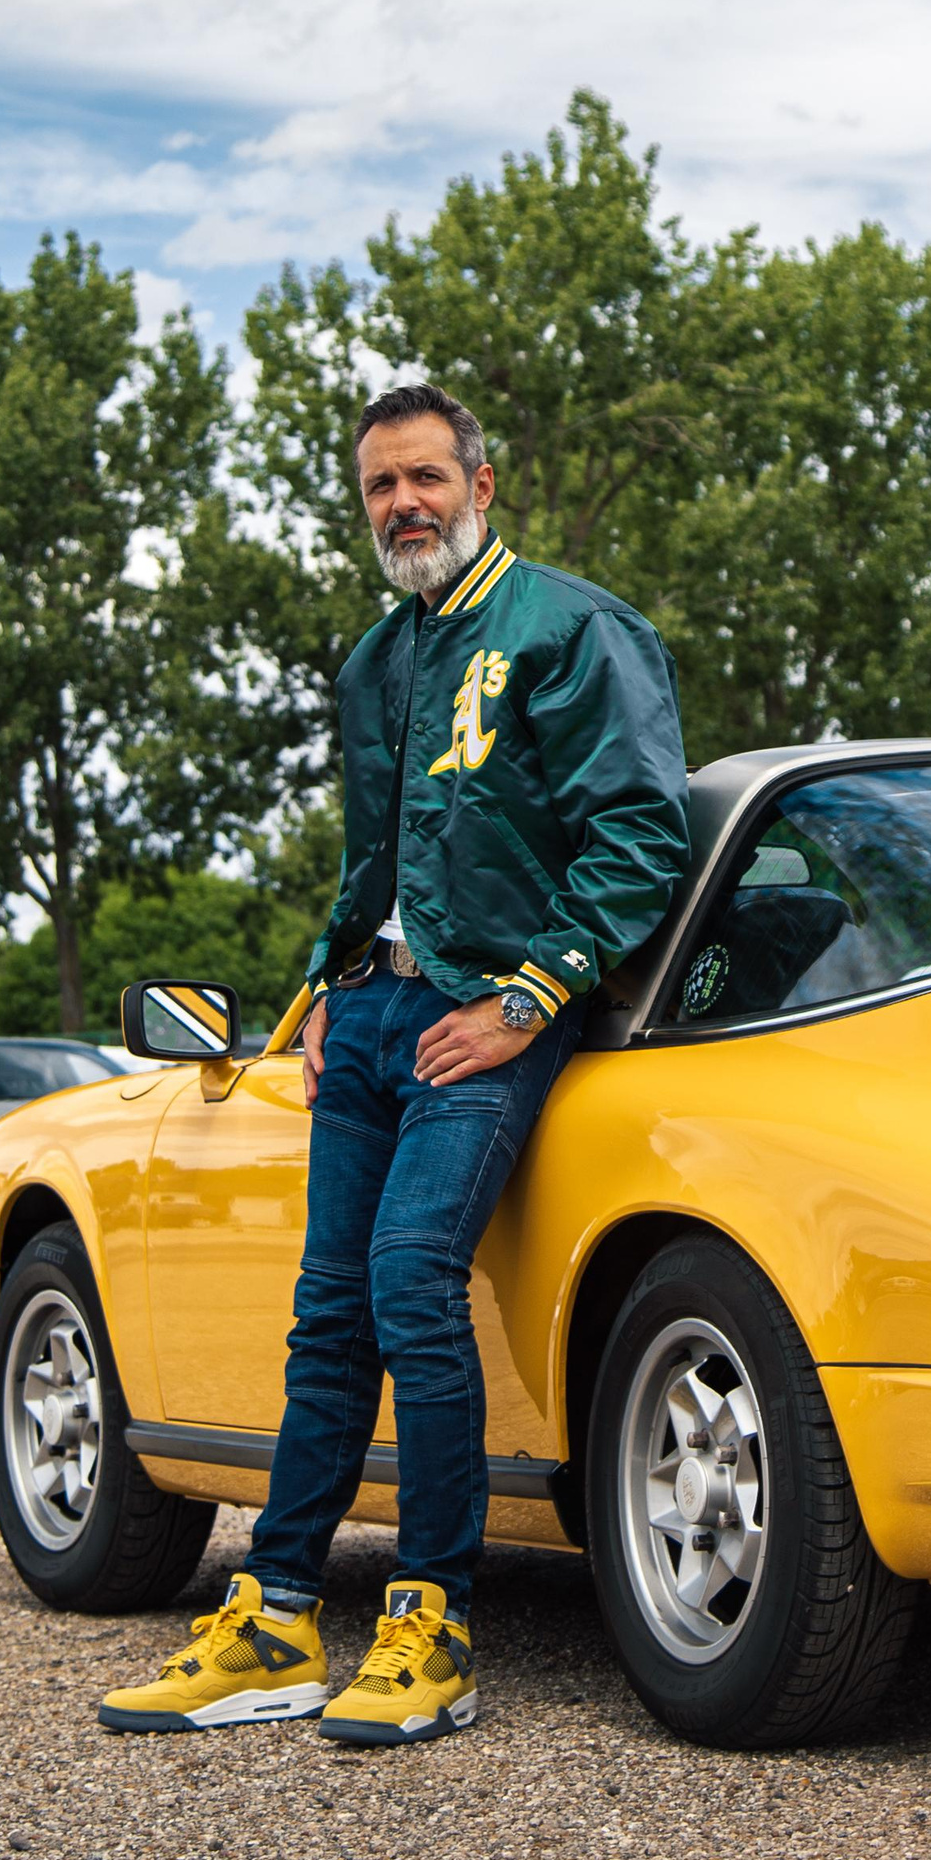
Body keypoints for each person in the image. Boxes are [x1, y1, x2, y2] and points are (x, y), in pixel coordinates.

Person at [99, 382, 690, 1746]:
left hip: (485, 1021)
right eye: (380, 487)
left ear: (486, 486)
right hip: (368, 1020)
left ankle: (430, 1618)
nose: (404, 505)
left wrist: (528, 1001)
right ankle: (280, 1616)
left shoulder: (572, 628)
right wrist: (320, 990)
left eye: (426, 478)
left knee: (413, 1284)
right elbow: (373, 861)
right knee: (328, 1319)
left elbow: (641, 839)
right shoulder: (378, 658)